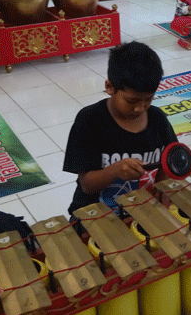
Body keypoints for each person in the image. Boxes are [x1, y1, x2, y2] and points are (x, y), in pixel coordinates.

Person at [64, 42, 178, 216]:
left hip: (143, 209)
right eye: (131, 101)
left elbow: (169, 160)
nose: (140, 108)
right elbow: (87, 185)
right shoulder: (89, 120)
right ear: (110, 87)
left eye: (148, 99)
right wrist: (116, 170)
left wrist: (160, 195)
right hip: (95, 212)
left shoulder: (157, 118)